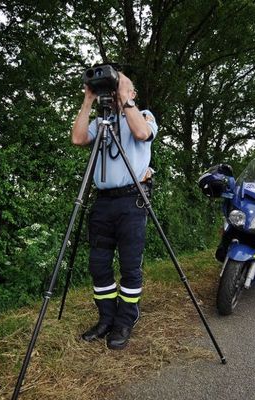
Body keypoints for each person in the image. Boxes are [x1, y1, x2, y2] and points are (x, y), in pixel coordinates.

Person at [71, 71, 158, 350]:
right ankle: (106, 318)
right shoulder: (102, 122)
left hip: (132, 200)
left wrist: (125, 98)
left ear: (132, 93)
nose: (117, 92)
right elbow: (78, 138)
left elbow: (142, 134)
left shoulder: (144, 114)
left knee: (130, 267)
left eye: (124, 88)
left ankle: (125, 320)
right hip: (103, 202)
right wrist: (88, 100)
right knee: (98, 265)